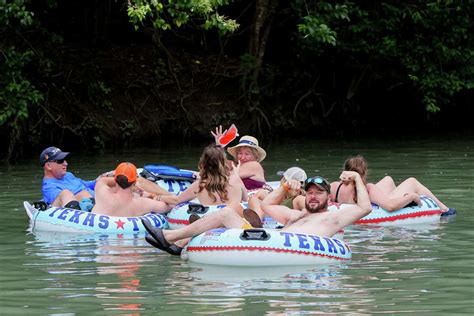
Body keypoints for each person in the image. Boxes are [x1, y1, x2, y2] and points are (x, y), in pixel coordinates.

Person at [142, 171, 372, 255]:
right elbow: (267, 207)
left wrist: (356, 179)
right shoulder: (297, 215)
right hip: (274, 239)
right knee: (226, 214)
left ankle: (170, 237)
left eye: (318, 193)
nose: (312, 196)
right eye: (309, 192)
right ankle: (178, 243)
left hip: (289, 246)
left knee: (224, 215)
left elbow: (365, 208)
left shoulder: (334, 217)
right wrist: (283, 188)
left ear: (328, 198)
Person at [144, 144, 249, 254]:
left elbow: (177, 200)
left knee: (225, 212)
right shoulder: (235, 179)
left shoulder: (200, 183)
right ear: (223, 162)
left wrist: (158, 197)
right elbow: (246, 202)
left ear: (203, 162)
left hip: (238, 230)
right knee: (223, 213)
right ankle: (177, 242)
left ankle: (174, 238)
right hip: (231, 225)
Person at [331, 155, 456, 214]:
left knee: (388, 180)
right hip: (375, 201)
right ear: (364, 173)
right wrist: (411, 197)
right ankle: (444, 209)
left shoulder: (335, 186)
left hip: (354, 200)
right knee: (412, 181)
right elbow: (390, 207)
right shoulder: (368, 189)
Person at [92, 162, 168, 217]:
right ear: (135, 182)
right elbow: (168, 207)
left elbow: (102, 180)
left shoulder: (102, 191)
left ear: (115, 179)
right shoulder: (142, 204)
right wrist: (157, 197)